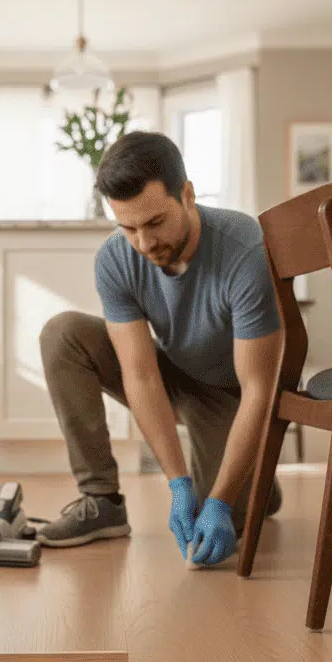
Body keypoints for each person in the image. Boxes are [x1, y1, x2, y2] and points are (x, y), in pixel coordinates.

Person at [37, 130, 283, 566]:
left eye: (154, 223)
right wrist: (177, 484)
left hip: (230, 395)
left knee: (228, 516)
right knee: (63, 334)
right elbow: (140, 374)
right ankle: (102, 501)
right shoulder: (116, 259)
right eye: (128, 228)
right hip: (170, 372)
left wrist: (219, 501)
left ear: (187, 195)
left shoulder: (245, 250)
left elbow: (259, 389)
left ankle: (258, 485)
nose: (144, 243)